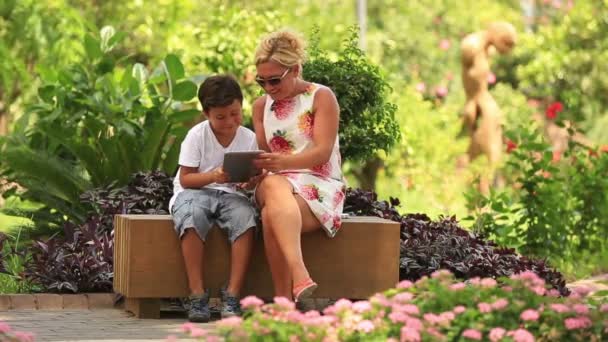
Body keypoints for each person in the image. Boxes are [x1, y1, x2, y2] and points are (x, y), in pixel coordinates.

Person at [251, 29, 345, 302]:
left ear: (295, 69)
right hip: (274, 183)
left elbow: (322, 153)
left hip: (318, 183)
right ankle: (299, 273)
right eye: (262, 82)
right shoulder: (260, 107)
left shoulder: (321, 97)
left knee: (271, 216)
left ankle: (283, 301)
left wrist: (282, 163)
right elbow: (265, 157)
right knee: (270, 182)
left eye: (275, 80)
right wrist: (253, 171)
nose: (269, 88)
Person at [169, 75, 258, 322]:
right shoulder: (196, 136)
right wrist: (213, 176)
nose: (230, 122)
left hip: (231, 194)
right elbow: (186, 179)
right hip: (194, 191)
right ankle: (197, 295)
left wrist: (249, 181)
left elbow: (251, 179)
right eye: (221, 117)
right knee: (192, 216)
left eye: (235, 113)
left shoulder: (249, 137)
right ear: (207, 113)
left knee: (246, 218)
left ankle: (232, 295)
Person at [459, 21, 517, 194]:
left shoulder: (486, 50)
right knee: (487, 154)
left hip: (485, 103)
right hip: (478, 105)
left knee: (491, 155)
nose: (507, 50)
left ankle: (483, 198)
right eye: (507, 44)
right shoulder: (471, 46)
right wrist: (470, 102)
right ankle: (479, 196)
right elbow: (469, 79)